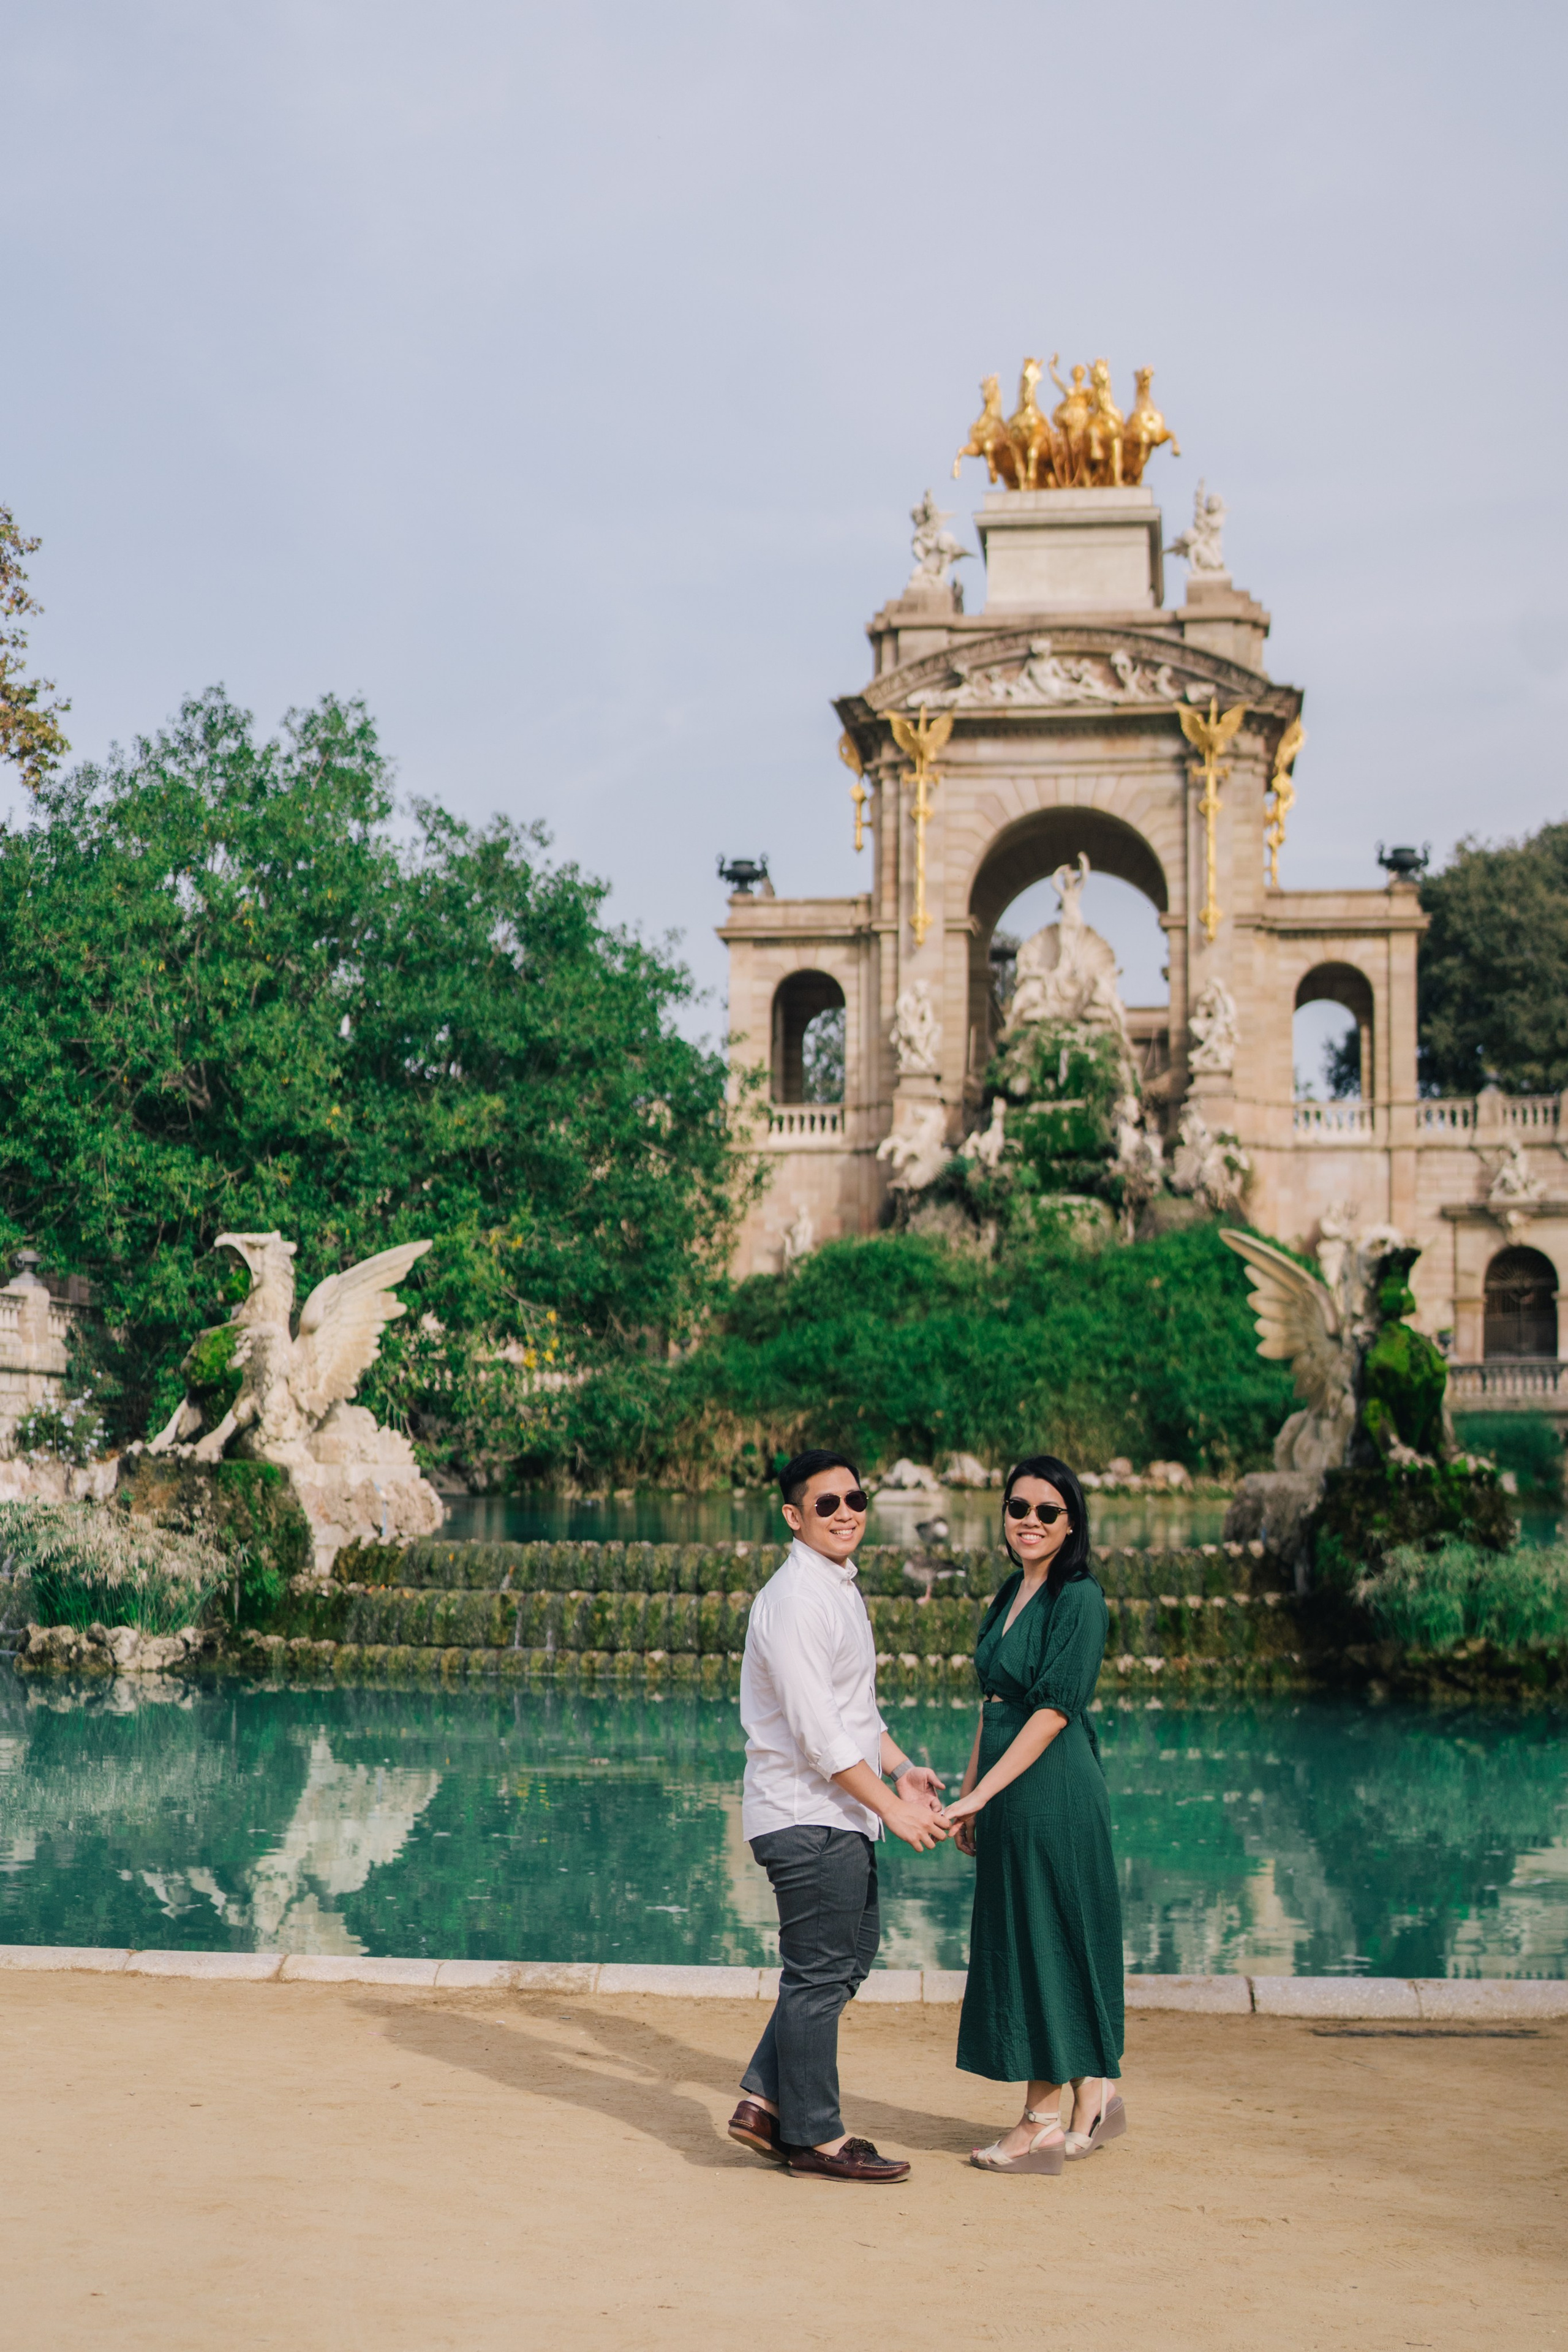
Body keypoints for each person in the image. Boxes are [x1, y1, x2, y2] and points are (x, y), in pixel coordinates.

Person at [726, 1448, 948, 2182]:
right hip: (805, 1814)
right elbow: (820, 1737)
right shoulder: (795, 1600)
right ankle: (817, 2137)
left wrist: (900, 1767)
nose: (846, 1512)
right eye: (827, 1504)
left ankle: (763, 2100)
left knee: (846, 1957)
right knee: (820, 1974)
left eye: (854, 1498)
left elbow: (854, 1714)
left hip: (837, 1812)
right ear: (795, 1517)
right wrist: (895, 1810)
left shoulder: (835, 1587)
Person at [937, 1453, 1126, 2175]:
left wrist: (985, 1793)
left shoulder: (1078, 1598)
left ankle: (1038, 2122)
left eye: (1047, 1512)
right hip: (1006, 1789)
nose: (1030, 1522)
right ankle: (1095, 2094)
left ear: (1070, 1522)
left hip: (1055, 1790)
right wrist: (970, 1788)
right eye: (1018, 1509)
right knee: (1028, 1941)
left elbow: (1051, 1711)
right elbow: (994, 1700)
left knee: (1048, 1940)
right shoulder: (1009, 1591)